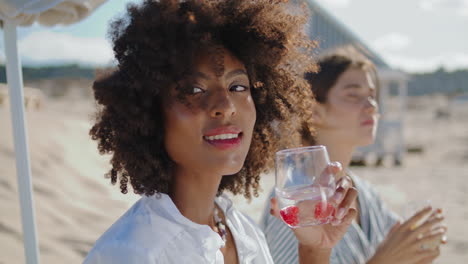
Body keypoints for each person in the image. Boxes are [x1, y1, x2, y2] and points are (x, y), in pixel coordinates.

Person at [83, 1, 358, 263]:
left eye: (238, 87)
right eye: (193, 90)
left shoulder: (242, 231)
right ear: (149, 113)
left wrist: (314, 250)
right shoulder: (132, 254)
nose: (226, 107)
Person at [261, 52, 448, 264]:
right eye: (353, 95)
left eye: (372, 96)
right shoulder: (292, 203)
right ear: (314, 111)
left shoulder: (364, 194)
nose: (371, 105)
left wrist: (417, 250)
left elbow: (402, 251)